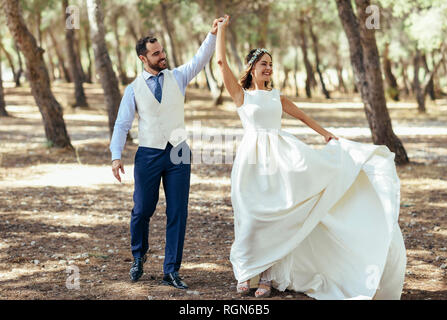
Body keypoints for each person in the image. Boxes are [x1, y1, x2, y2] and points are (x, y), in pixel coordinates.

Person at [216, 15, 406, 299]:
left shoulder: (276, 97)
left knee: (276, 214)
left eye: (271, 64)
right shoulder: (241, 95)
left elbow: (303, 116)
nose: (268, 68)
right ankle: (245, 272)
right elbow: (220, 63)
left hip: (279, 157)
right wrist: (221, 30)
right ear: (252, 68)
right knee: (251, 215)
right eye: (263, 64)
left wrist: (326, 134)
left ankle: (267, 276)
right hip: (251, 161)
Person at [109, 17, 224, 289]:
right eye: (156, 53)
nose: (163, 56)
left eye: (162, 51)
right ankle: (139, 255)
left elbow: (200, 58)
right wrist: (116, 155)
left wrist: (212, 34)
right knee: (142, 210)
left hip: (179, 153)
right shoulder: (133, 89)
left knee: (178, 212)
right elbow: (122, 124)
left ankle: (171, 270)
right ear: (143, 58)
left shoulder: (178, 77)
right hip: (148, 154)